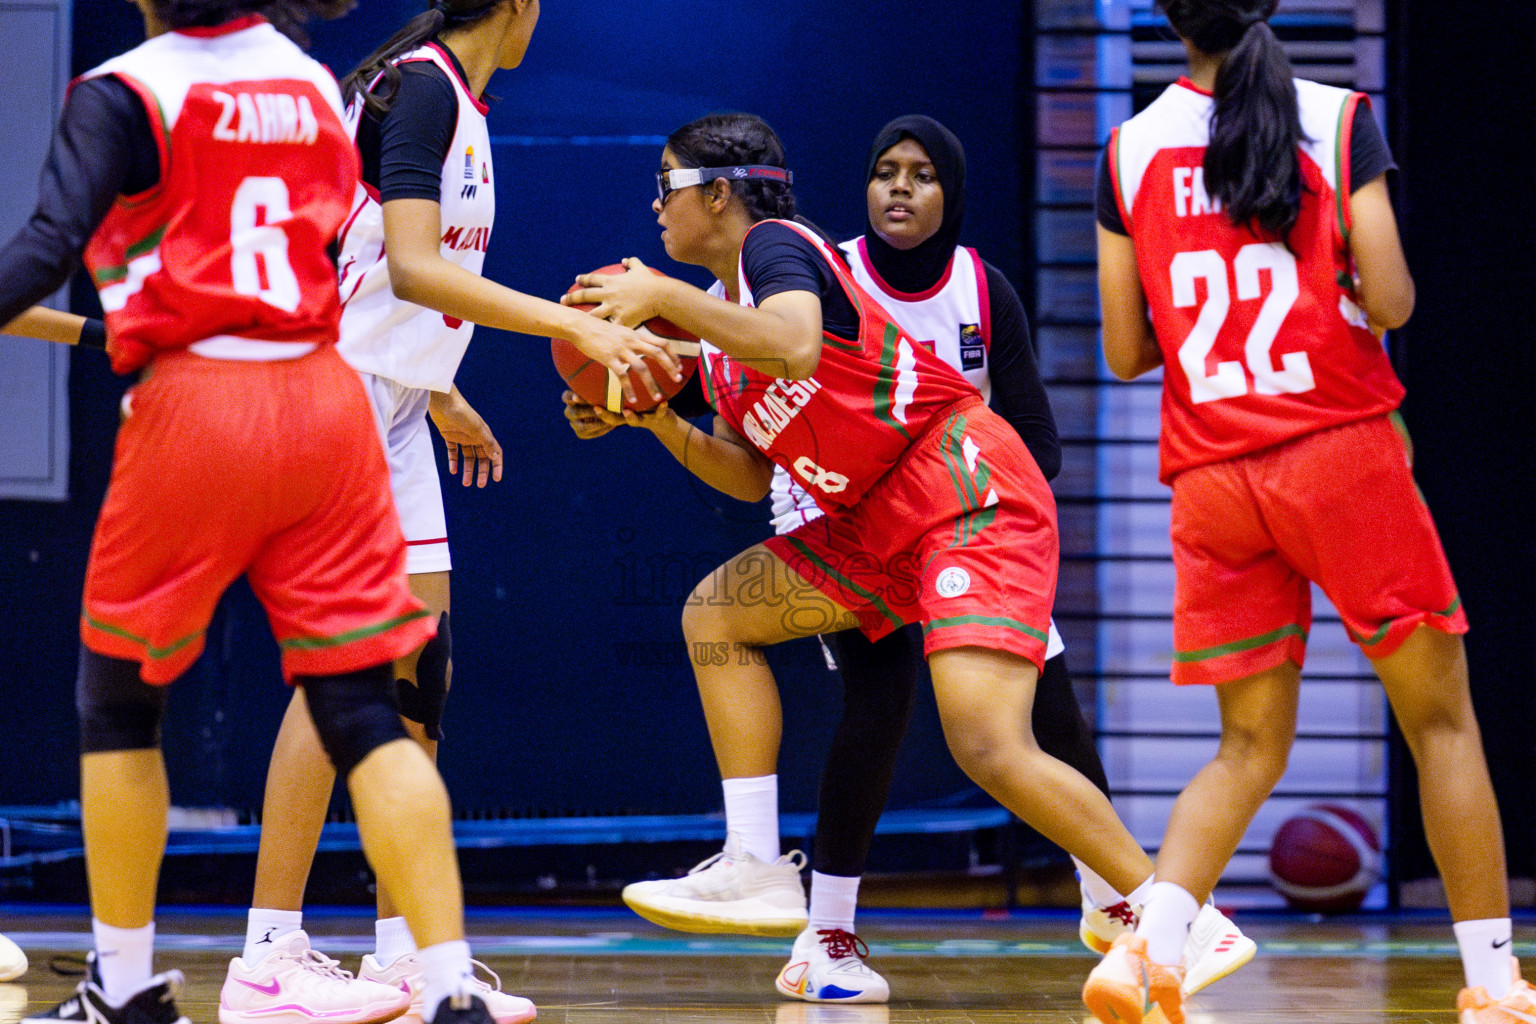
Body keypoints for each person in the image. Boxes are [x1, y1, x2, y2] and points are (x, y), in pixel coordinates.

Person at [568, 114, 1251, 1003]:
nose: (656, 208)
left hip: (961, 485)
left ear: (720, 193)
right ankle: (755, 861)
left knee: (988, 743)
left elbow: (796, 343)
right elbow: (744, 477)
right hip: (874, 521)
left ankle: (1178, 918)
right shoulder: (728, 347)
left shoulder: (780, 250)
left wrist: (660, 296)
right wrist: (657, 417)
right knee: (716, 613)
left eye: (666, 186)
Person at [0, 1, 499, 1023]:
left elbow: (47, 247)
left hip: (196, 403)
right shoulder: (318, 83)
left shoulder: (125, 90)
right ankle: (447, 986)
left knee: (121, 705)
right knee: (372, 704)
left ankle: (128, 986)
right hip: (324, 400)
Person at [225, 3, 675, 1023]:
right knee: (346, 672)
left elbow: (377, 269)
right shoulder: (422, 88)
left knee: (420, 667)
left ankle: (403, 953)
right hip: (333, 398)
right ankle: (267, 954)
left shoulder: (449, 96)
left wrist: (437, 386)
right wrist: (571, 325)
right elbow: (418, 268)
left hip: (390, 402)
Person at [1079, 4, 1527, 1024]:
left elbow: (1124, 349)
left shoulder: (1127, 149)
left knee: (1245, 749)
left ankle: (1149, 943)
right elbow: (1397, 299)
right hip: (1336, 455)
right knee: (1442, 720)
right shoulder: (1333, 116)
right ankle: (1496, 989)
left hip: (1212, 479)